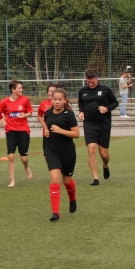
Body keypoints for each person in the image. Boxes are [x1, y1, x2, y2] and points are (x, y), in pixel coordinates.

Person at [43, 88, 80, 221]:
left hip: (67, 151)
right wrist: (46, 132)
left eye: (60, 99)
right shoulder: (47, 113)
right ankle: (56, 212)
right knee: (54, 179)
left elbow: (76, 134)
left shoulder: (69, 114)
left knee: (67, 181)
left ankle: (72, 199)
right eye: (55, 99)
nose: (57, 102)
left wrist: (61, 130)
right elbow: (46, 127)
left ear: (65, 100)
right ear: (51, 100)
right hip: (51, 149)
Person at [77, 68, 119, 185]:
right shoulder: (82, 90)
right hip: (89, 124)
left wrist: (107, 109)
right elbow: (81, 102)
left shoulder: (106, 89)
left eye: (93, 82)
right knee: (91, 150)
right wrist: (81, 111)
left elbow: (115, 102)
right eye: (88, 82)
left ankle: (105, 165)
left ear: (97, 79)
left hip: (104, 124)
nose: (90, 84)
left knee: (104, 154)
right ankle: (96, 179)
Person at [0, 80, 34, 186]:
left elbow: (30, 112)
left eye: (22, 88)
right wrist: (2, 120)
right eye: (19, 88)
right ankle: (12, 180)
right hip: (10, 131)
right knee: (11, 156)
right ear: (13, 90)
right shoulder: (4, 102)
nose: (21, 89)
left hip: (23, 131)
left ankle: (26, 167)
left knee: (24, 158)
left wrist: (24, 115)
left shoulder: (25, 100)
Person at [37, 84, 58, 152]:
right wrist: (44, 125)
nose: (49, 93)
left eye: (52, 91)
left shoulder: (61, 103)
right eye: (48, 91)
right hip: (47, 133)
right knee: (47, 154)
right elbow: (39, 116)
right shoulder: (44, 103)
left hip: (58, 133)